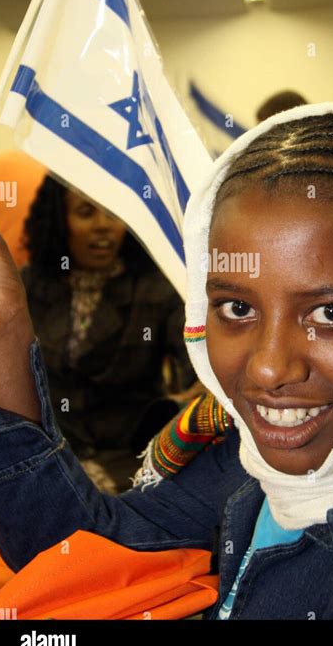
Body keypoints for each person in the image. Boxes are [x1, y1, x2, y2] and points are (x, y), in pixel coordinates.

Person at [0, 103, 333, 620]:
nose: (267, 368)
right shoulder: (251, 454)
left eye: (330, 312)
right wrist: (4, 329)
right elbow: (90, 554)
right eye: (237, 308)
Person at [19, 176, 198, 492]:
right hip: (46, 453)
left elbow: (196, 367)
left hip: (129, 459)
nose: (103, 226)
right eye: (86, 213)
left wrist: (186, 402)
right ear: (60, 221)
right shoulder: (30, 285)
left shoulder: (156, 290)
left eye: (112, 213)